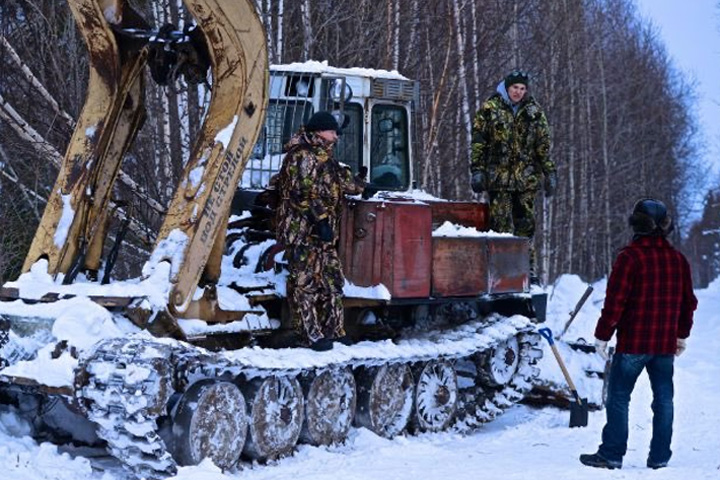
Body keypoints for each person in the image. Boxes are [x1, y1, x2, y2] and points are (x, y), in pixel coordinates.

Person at [580, 198, 697, 470]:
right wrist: (681, 335)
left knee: (619, 398)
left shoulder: (629, 258)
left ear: (637, 224)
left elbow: (615, 303)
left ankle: (611, 454)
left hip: (633, 344)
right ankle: (659, 458)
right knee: (664, 401)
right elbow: (688, 302)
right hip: (664, 346)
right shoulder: (678, 260)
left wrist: (602, 335)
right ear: (664, 226)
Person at [275, 111, 365, 351]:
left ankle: (334, 330)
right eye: (332, 131)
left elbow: (342, 184)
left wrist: (363, 185)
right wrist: (321, 221)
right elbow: (300, 194)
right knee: (305, 283)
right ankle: (310, 334)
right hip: (303, 232)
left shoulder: (326, 158)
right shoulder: (301, 157)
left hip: (323, 236)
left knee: (332, 281)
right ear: (319, 132)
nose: (336, 136)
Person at [470, 71, 555, 277]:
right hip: (499, 178)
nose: (518, 92)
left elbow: (542, 146)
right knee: (500, 225)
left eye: (522, 88)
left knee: (526, 224)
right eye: (515, 88)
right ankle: (499, 271)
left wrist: (550, 172)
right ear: (507, 87)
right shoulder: (490, 109)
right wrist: (477, 170)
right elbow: (479, 142)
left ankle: (527, 270)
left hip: (526, 179)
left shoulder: (534, 112)